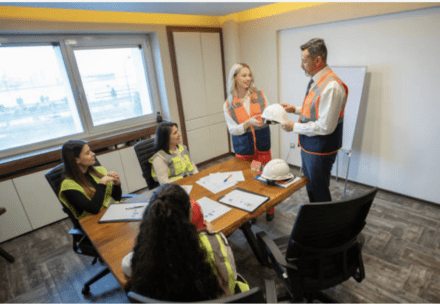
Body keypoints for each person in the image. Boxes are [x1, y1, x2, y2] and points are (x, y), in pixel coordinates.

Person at [124, 184, 250, 301]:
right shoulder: (212, 241)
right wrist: (208, 235)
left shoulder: (143, 248)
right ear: (189, 214)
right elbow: (229, 282)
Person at [281, 38, 348, 203]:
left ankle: (324, 225)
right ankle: (320, 222)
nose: (302, 65)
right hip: (310, 146)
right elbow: (316, 110)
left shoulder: (332, 87)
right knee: (312, 187)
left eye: (304, 61)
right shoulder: (317, 81)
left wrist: (294, 126)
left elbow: (325, 126)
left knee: (318, 192)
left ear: (318, 60)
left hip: (320, 149)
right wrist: (294, 109)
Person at [224, 63, 275, 220]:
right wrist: (247, 123)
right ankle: (252, 212)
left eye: (249, 75)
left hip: (261, 149)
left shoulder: (259, 95)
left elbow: (267, 115)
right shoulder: (229, 104)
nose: (248, 79)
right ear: (235, 78)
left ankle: (270, 210)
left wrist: (271, 118)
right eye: (243, 75)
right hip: (245, 152)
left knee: (266, 179)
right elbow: (233, 129)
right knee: (250, 182)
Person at [58, 140, 122, 219]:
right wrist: (102, 184)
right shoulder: (68, 185)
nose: (93, 154)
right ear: (76, 160)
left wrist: (117, 184)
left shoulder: (100, 171)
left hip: (111, 212)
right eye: (88, 153)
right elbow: (93, 209)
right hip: (92, 221)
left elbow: (117, 198)